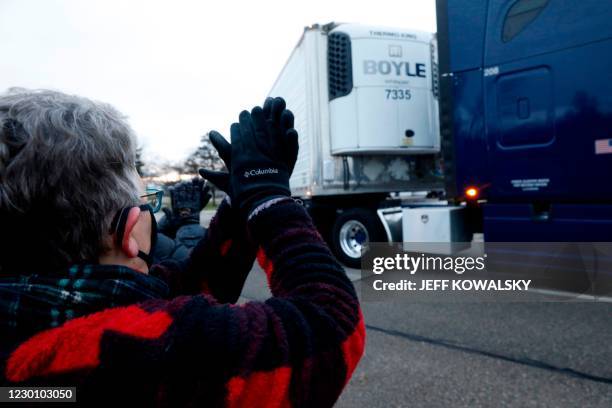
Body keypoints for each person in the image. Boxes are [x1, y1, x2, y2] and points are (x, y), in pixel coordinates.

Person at [0, 89, 365, 407]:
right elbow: (332, 326)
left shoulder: (32, 322)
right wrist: (268, 198)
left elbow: (176, 292)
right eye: (147, 202)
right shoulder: (124, 353)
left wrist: (239, 207)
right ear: (128, 231)